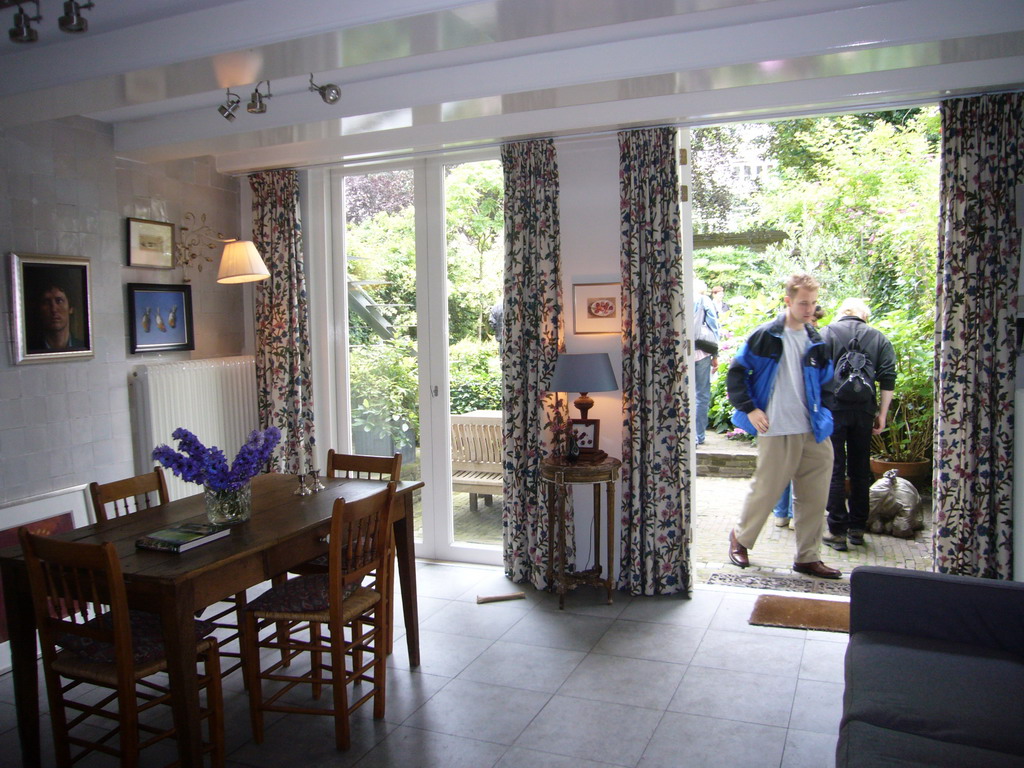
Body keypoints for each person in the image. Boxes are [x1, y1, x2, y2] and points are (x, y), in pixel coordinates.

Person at [726, 273, 841, 579]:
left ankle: (807, 557)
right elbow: (737, 373)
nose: (809, 309)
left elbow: (828, 382)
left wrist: (826, 415)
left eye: (814, 303)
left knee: (815, 497)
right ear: (788, 301)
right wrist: (750, 409)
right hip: (776, 428)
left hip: (814, 429)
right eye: (804, 302)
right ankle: (741, 538)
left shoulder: (818, 340)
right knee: (766, 489)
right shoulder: (765, 335)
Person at [819, 297, 896, 551]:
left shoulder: (826, 333)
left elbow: (813, 374)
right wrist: (882, 414)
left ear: (841, 314)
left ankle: (837, 530)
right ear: (865, 315)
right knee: (861, 467)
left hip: (833, 410)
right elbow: (887, 378)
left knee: (834, 467)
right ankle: (857, 528)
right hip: (864, 411)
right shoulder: (878, 338)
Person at [772, 305, 826, 528]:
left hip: (791, 414)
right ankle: (789, 513)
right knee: (794, 468)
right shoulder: (800, 342)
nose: (813, 324)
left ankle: (783, 513)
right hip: (794, 414)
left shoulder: (799, 339)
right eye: (812, 320)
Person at [693, 280, 719, 446]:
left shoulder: (679, 298)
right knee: (701, 395)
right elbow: (713, 327)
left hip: (683, 352)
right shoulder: (704, 300)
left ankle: (687, 433)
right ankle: (699, 435)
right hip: (702, 352)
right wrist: (715, 355)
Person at [31, 282, 83, 351]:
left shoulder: (82, 347)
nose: (53, 309)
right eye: (47, 302)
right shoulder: (32, 349)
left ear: (70, 308)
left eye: (59, 301)